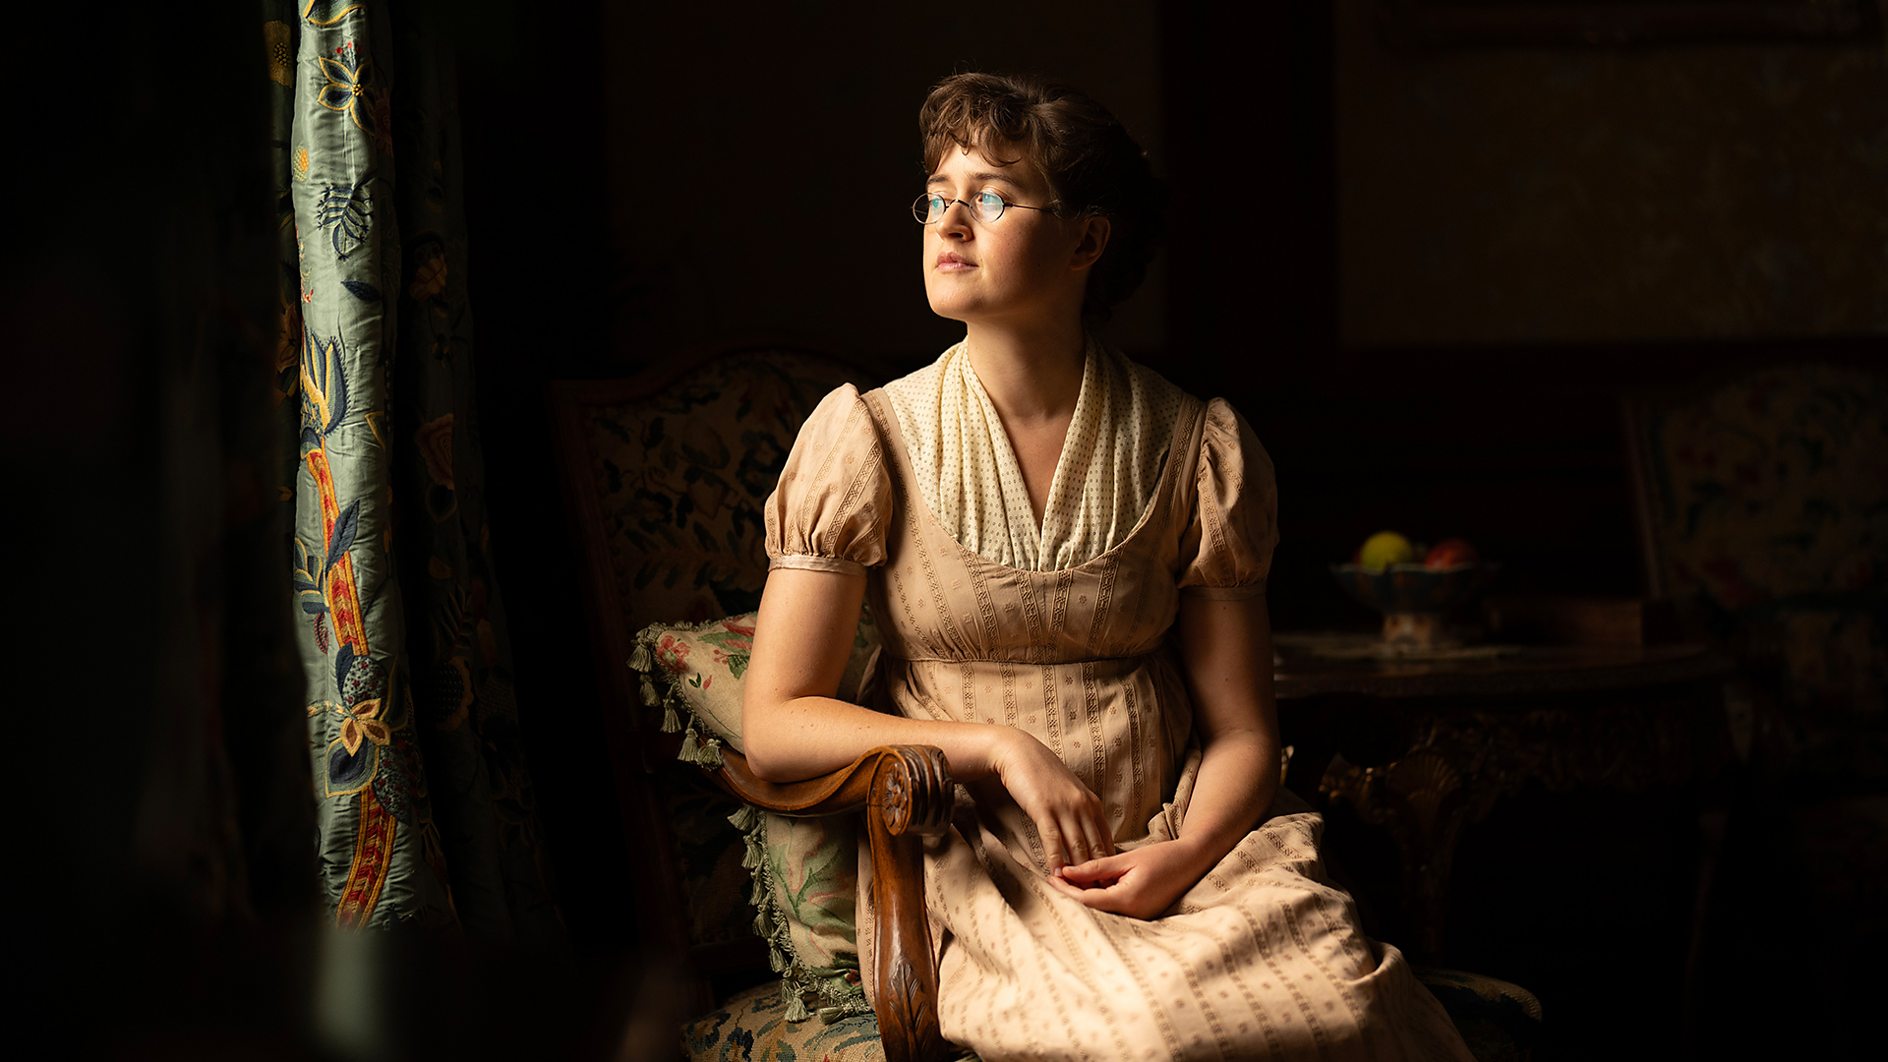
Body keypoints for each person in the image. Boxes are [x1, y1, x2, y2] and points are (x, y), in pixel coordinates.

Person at [742, 71, 1471, 1061]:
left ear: (1089, 240)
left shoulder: (1198, 444)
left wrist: (1183, 855)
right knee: (1153, 1036)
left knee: (1350, 1010)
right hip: (984, 868)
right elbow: (777, 726)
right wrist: (997, 743)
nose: (950, 222)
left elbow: (1244, 730)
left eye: (992, 197)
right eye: (937, 195)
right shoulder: (866, 437)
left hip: (1194, 846)